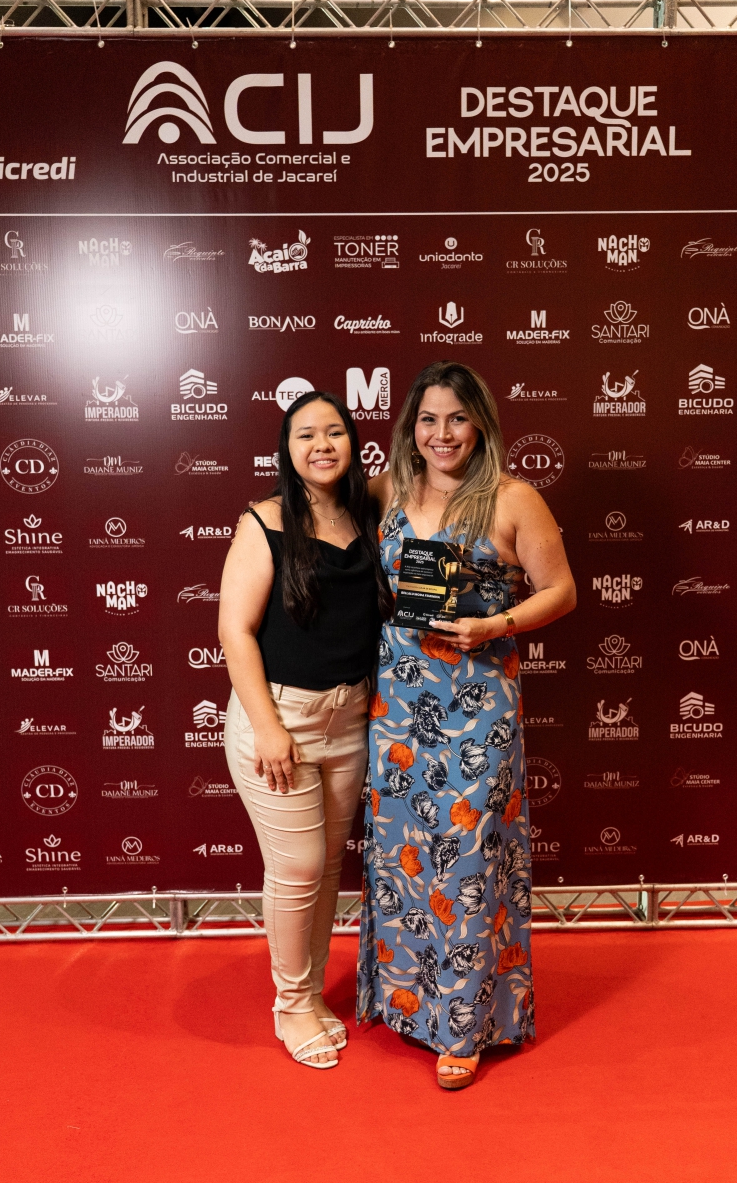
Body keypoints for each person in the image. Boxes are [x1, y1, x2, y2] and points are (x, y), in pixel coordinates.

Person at [357, 361, 576, 1090]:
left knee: (470, 861)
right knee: (403, 857)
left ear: (479, 423)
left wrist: (496, 624)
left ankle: (465, 1026)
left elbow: (561, 591)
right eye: (428, 419)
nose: (442, 433)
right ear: (410, 427)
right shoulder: (387, 491)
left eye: (456, 418)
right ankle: (404, 1002)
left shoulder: (513, 498)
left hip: (479, 702)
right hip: (398, 704)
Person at [219, 391, 392, 1069]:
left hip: (351, 719)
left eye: (335, 432)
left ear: (353, 442)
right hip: (280, 719)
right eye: (306, 435)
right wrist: (267, 729)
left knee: (325, 869)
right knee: (297, 868)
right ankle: (290, 1005)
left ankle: (310, 993)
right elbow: (235, 631)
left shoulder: (369, 510)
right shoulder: (263, 521)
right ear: (286, 450)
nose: (322, 445)